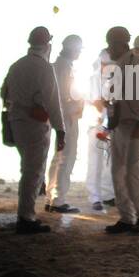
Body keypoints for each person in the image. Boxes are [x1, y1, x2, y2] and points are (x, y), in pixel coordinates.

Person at [0, 27, 66, 234]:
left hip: (17, 121)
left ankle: (25, 214)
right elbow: (53, 102)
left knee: (27, 169)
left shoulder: (16, 65)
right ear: (47, 45)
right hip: (36, 124)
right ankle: (26, 217)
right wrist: (60, 129)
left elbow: (4, 93)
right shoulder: (44, 67)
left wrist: (22, 106)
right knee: (33, 171)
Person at [103, 26, 139, 234]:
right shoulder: (116, 66)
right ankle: (126, 217)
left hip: (135, 126)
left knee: (132, 171)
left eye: (111, 44)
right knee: (117, 171)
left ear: (120, 44)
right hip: (120, 124)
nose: (109, 49)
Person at [45, 34, 85, 213]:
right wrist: (72, 108)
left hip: (66, 114)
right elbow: (61, 95)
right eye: (78, 50)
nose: (79, 53)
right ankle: (58, 199)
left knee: (60, 156)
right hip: (67, 116)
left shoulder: (62, 65)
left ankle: (52, 197)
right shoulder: (62, 66)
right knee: (66, 156)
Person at [84, 48, 114, 211]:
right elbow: (98, 102)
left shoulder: (115, 79)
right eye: (107, 64)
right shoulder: (93, 79)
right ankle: (95, 196)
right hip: (96, 124)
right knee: (95, 160)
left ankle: (108, 194)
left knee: (110, 160)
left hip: (111, 124)